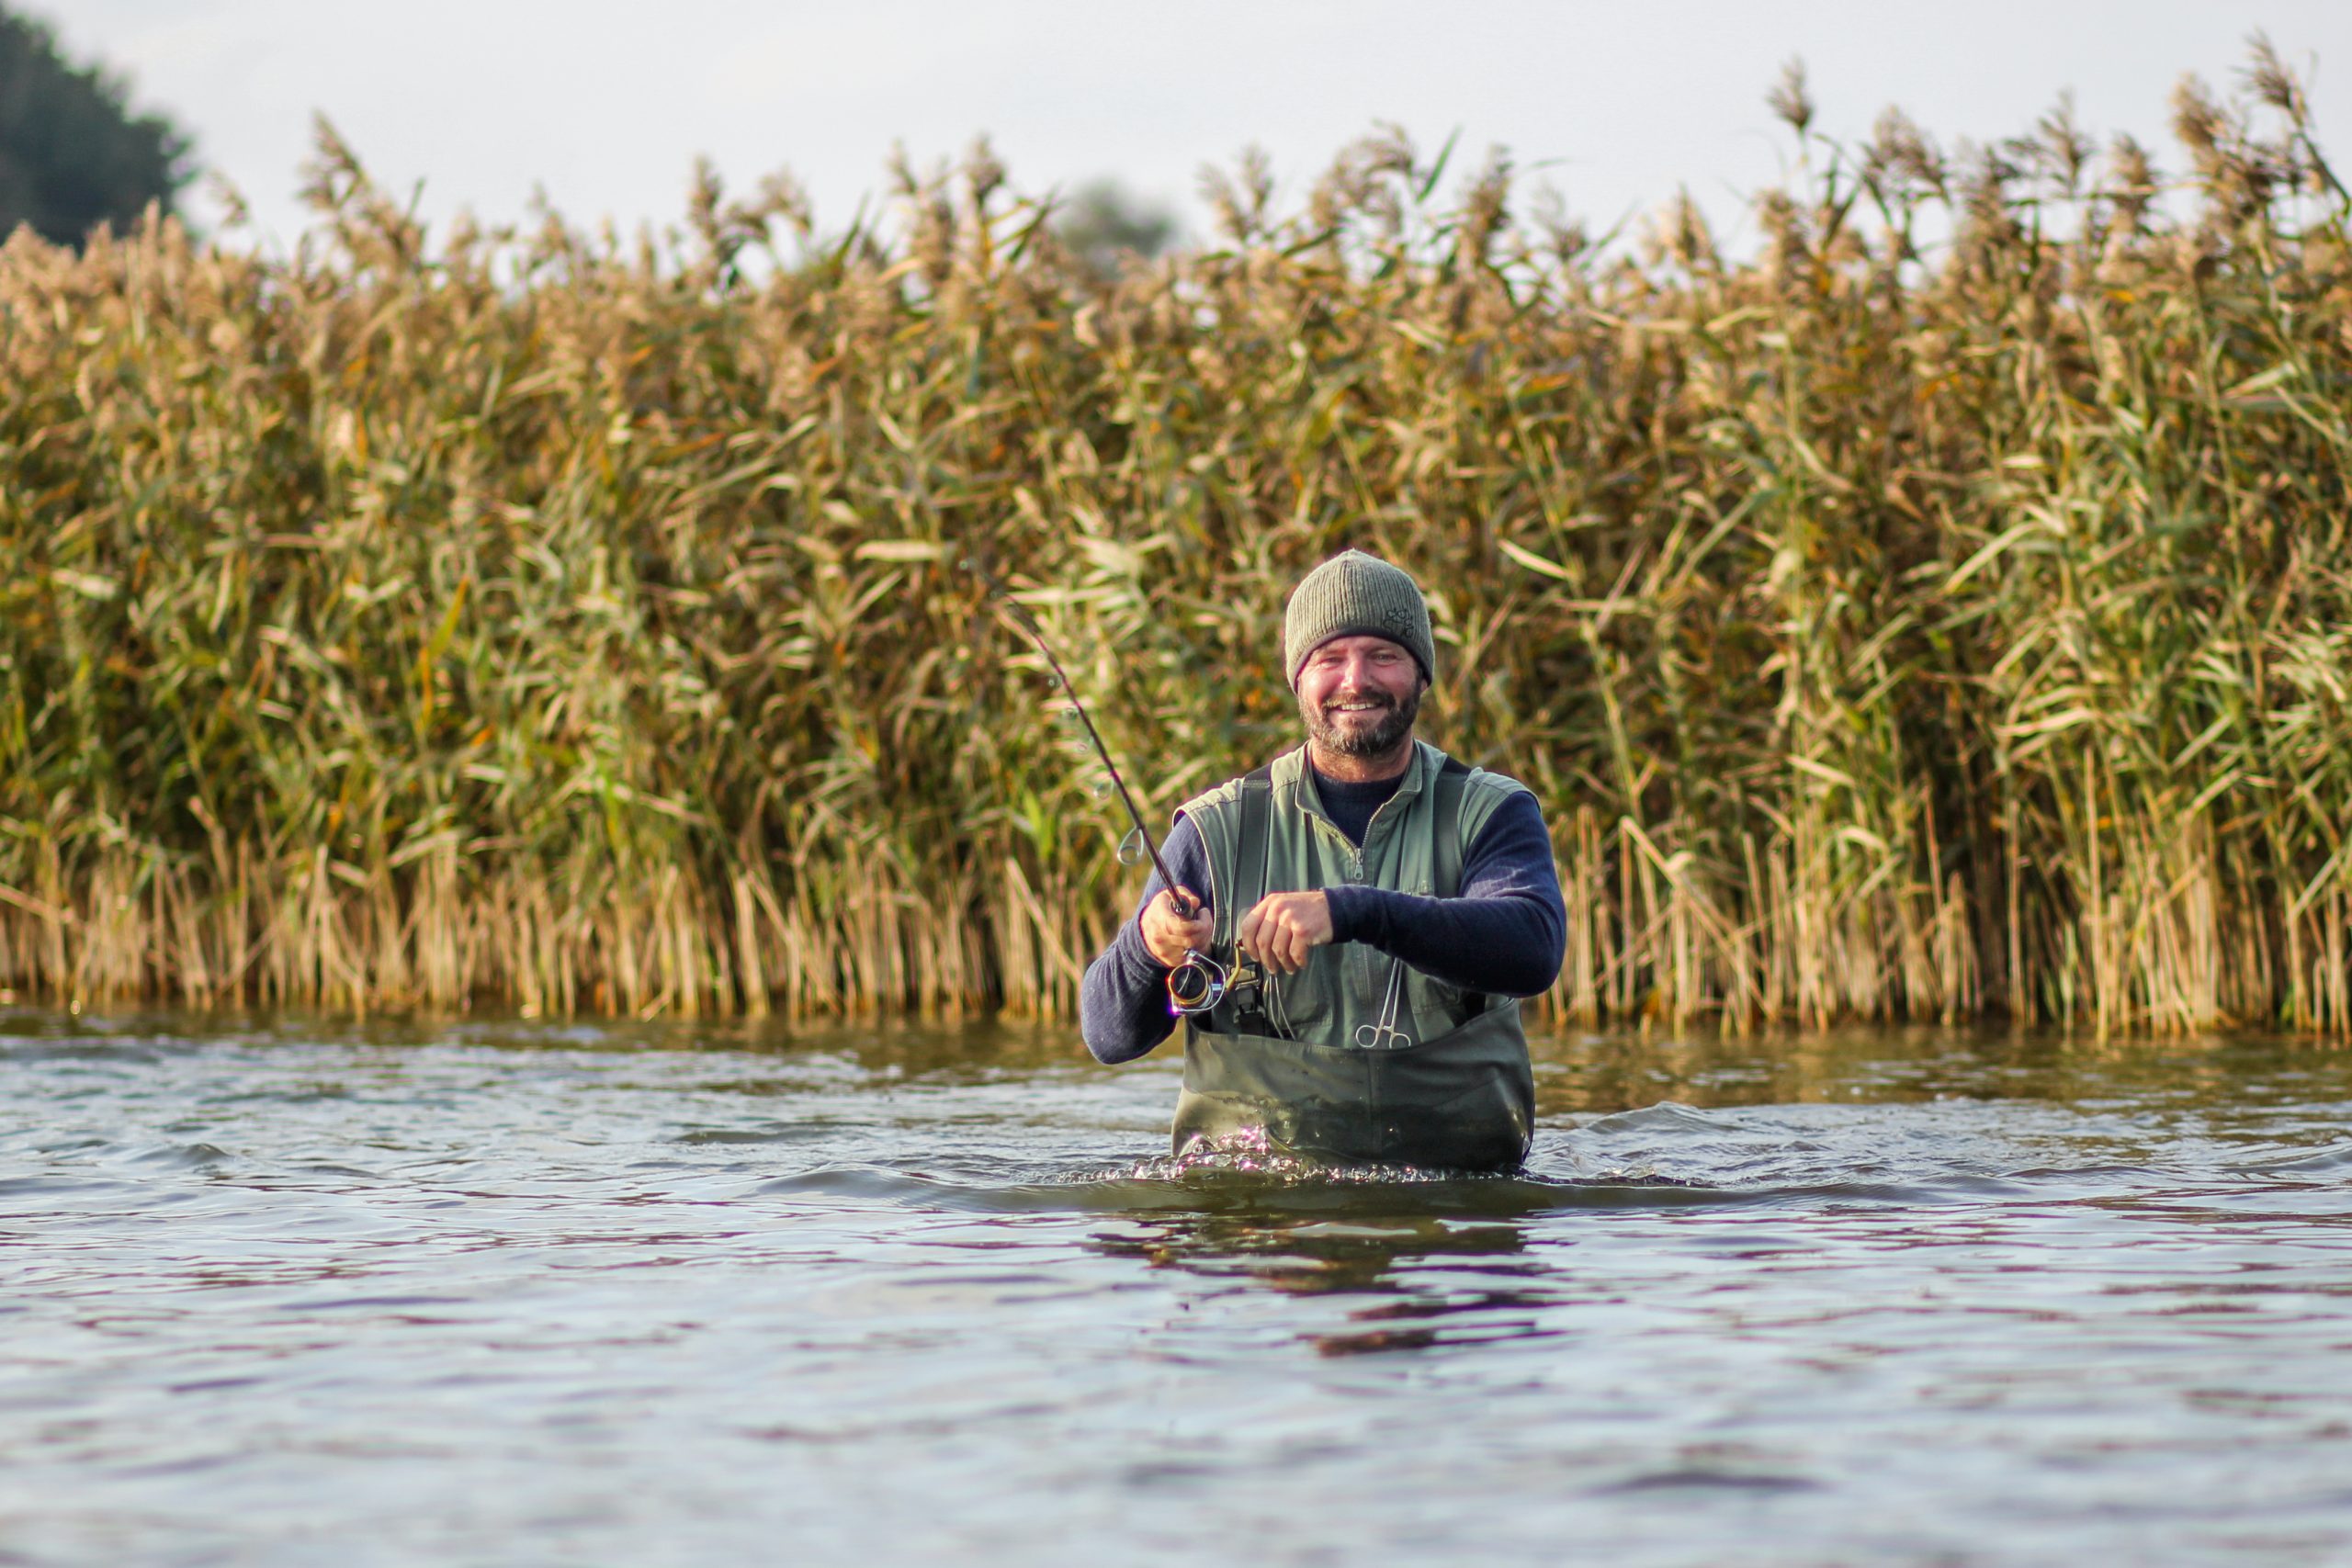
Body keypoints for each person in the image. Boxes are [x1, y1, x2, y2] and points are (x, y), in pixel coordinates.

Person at [1079, 549, 1566, 1170]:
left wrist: (1352, 910)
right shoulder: (1214, 830)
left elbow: (1533, 949)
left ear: (1421, 675)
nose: (1355, 679)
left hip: (1456, 1228)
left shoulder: (1491, 812)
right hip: (1260, 1232)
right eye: (1329, 659)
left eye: (1383, 655)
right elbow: (1110, 1036)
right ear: (1298, 681)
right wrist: (1150, 947)